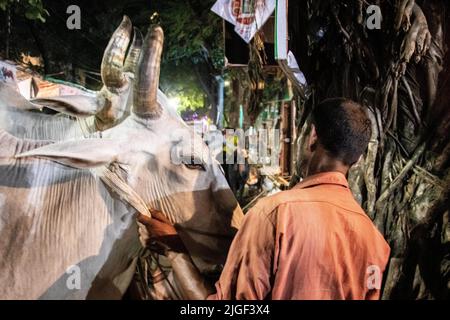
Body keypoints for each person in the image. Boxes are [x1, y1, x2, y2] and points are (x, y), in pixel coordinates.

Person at [137, 98, 391, 300]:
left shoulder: (275, 214)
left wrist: (174, 251)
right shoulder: (375, 243)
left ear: (312, 137)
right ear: (357, 160)